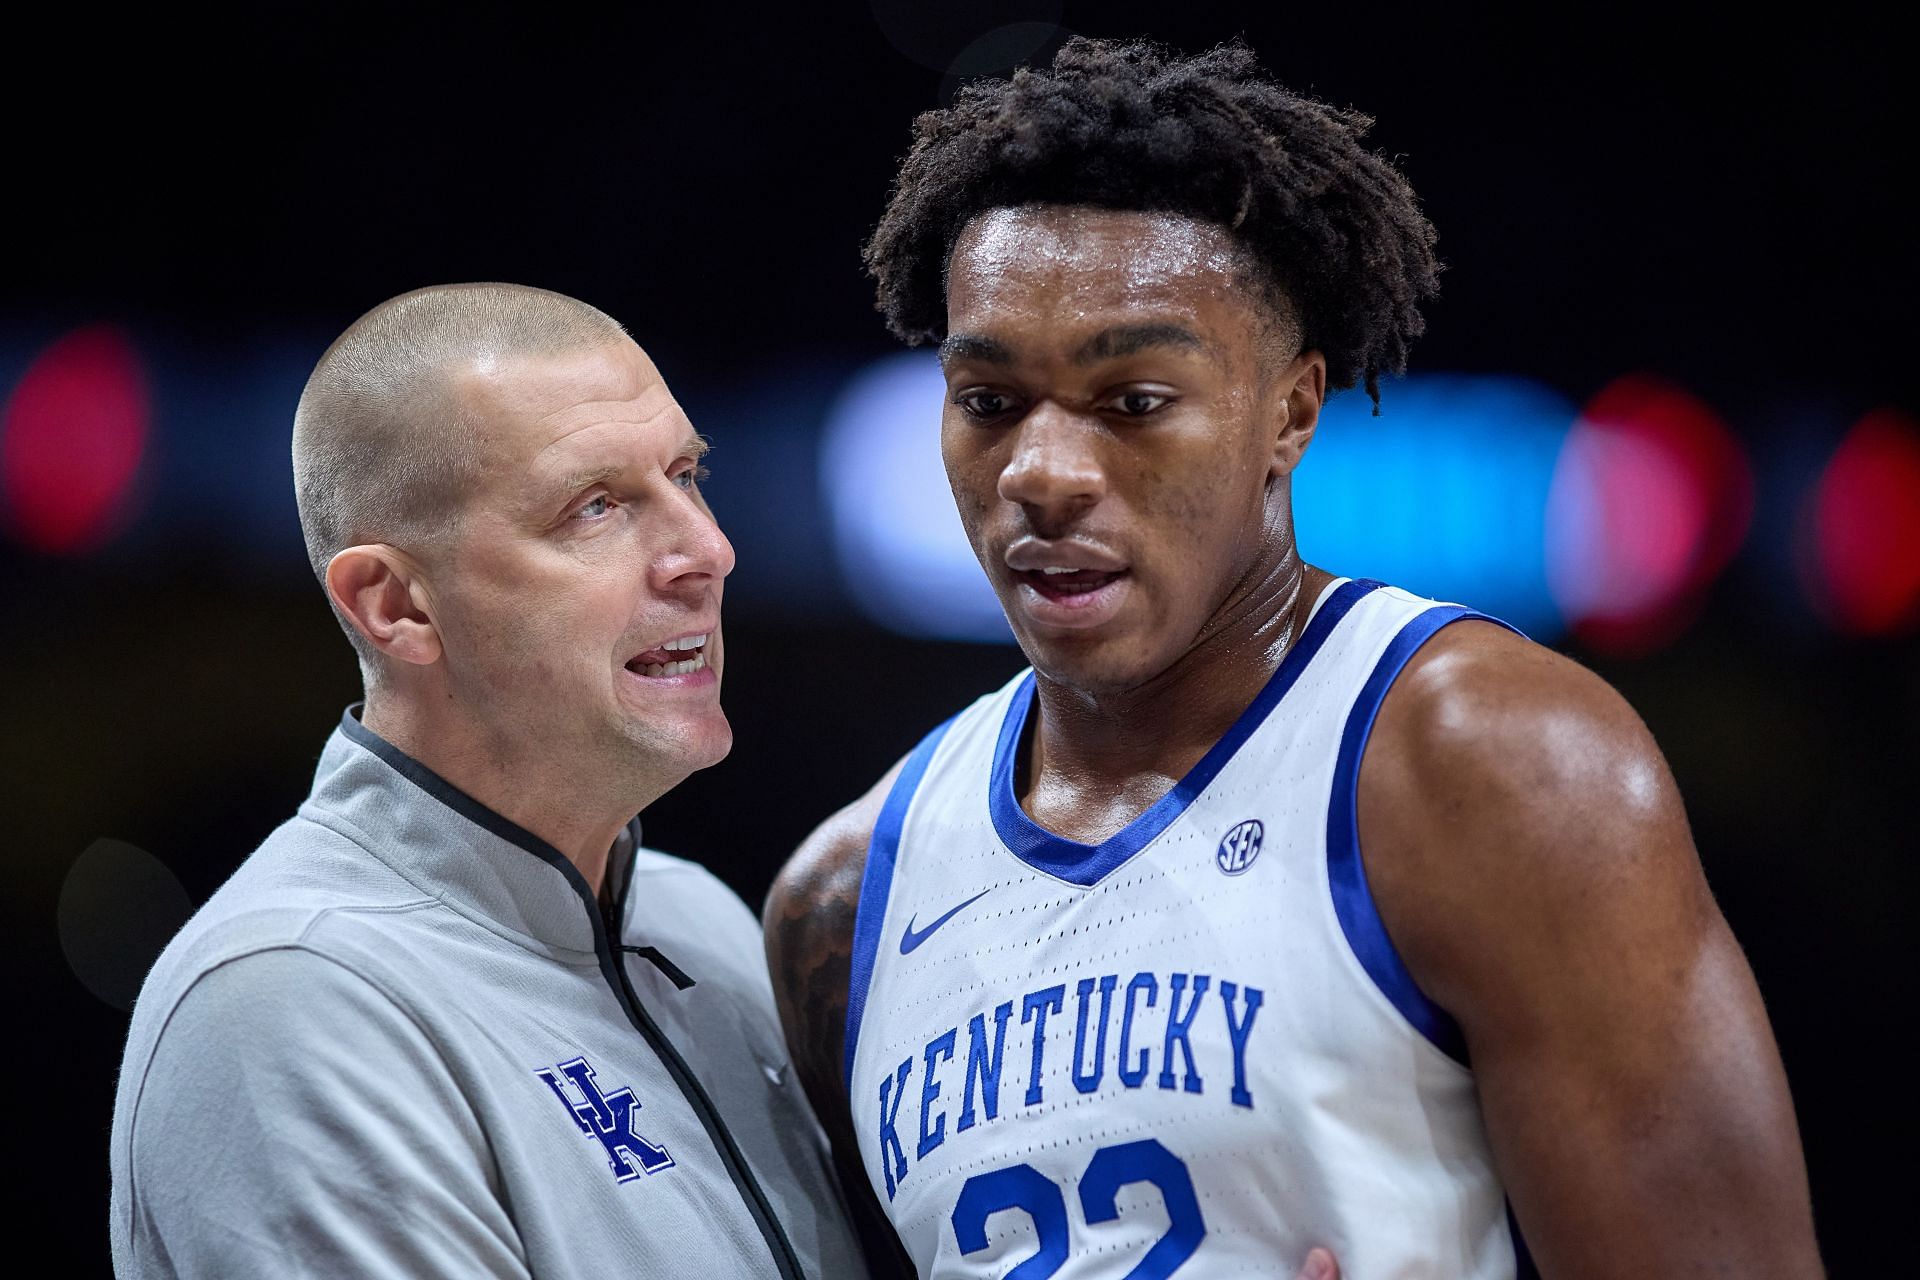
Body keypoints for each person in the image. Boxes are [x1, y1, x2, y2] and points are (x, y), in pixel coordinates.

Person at [765, 38, 1823, 1279]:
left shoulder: (1488, 762)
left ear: (1292, 412)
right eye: (990, 401)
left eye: (1133, 400)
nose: (1042, 473)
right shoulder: (843, 901)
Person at [109, 283, 864, 1277]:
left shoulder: (702, 924)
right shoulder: (290, 995)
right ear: (394, 605)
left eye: (688, 474)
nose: (706, 551)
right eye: (594, 505)